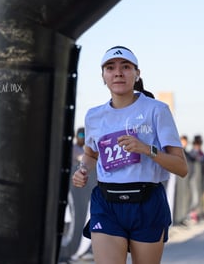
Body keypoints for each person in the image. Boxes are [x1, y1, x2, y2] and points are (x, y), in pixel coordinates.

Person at [71, 46, 188, 264]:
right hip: (107, 203)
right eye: (110, 68)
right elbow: (90, 155)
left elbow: (181, 168)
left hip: (147, 202)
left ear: (137, 74)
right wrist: (83, 170)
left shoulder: (157, 110)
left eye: (125, 67)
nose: (118, 72)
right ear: (103, 76)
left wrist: (146, 149)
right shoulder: (94, 116)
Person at [188, 135, 204, 221]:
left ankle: (198, 212)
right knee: (195, 196)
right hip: (194, 177)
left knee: (199, 195)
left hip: (201, 177)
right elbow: (195, 159)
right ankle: (192, 212)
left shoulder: (201, 152)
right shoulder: (192, 152)